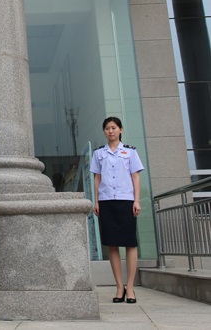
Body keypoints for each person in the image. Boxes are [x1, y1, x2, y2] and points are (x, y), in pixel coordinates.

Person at [91, 116, 144, 304]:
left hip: (126, 201)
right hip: (106, 202)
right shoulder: (99, 154)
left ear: (120, 129)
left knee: (130, 243)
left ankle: (130, 287)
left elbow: (135, 177)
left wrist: (136, 201)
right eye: (107, 128)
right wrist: (96, 201)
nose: (110, 131)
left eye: (113, 127)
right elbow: (97, 178)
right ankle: (119, 286)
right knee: (112, 244)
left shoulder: (130, 153)